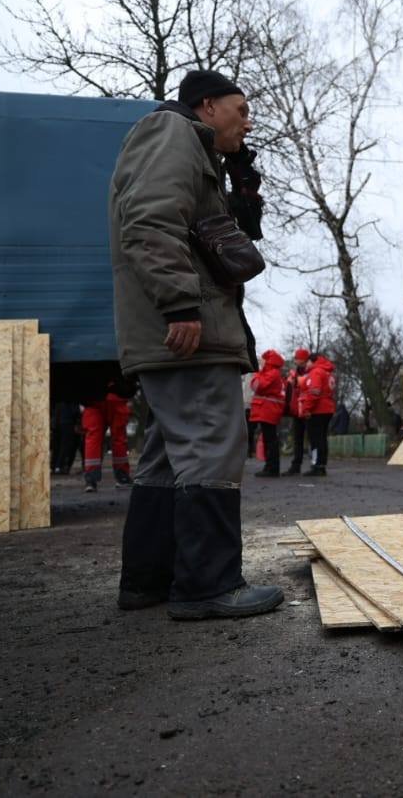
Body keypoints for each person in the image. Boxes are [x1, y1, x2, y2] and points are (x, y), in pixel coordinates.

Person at [109, 68, 282, 620]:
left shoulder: (193, 147)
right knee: (209, 445)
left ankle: (148, 580)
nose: (247, 122)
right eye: (241, 110)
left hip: (176, 331)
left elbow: (216, 234)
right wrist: (180, 303)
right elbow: (150, 221)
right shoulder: (170, 132)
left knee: (168, 457)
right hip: (186, 329)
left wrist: (238, 178)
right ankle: (207, 586)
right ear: (208, 106)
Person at [82, 376, 136, 491]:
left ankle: (91, 480)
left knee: (93, 438)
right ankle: (122, 477)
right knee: (119, 438)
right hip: (116, 396)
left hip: (92, 396)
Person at [249, 349, 285, 477]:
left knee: (270, 440)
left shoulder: (271, 373)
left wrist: (257, 374)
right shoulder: (271, 372)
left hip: (268, 409)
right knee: (269, 439)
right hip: (267, 409)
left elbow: (257, 386)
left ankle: (272, 468)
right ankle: (270, 467)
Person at [302, 353, 336, 477]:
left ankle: (316, 465)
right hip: (328, 408)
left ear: (312, 361)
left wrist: (306, 409)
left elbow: (314, 392)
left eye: (307, 362)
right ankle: (322, 465)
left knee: (315, 439)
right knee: (322, 438)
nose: (306, 365)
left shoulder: (316, 372)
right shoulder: (328, 373)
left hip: (317, 410)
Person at [284, 348, 312, 475]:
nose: (295, 360)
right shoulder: (294, 373)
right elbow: (289, 391)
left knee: (312, 438)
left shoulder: (310, 373)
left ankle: (315, 464)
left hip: (307, 409)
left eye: (297, 358)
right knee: (298, 439)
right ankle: (296, 464)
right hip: (297, 409)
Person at [51, 401, 81, 475]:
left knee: (57, 446)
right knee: (66, 446)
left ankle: (55, 466)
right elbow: (74, 410)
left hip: (57, 421)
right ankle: (60, 466)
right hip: (68, 422)